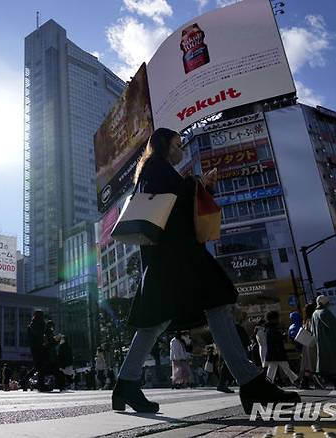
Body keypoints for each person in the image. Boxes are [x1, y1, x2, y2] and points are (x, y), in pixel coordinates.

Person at [111, 128, 299, 415]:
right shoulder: (156, 167)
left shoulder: (154, 169)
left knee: (156, 322)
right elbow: (172, 202)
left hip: (168, 260)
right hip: (178, 257)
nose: (181, 149)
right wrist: (198, 184)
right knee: (218, 303)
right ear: (164, 144)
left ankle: (125, 384)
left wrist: (200, 187)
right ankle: (250, 382)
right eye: (177, 144)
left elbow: (175, 203)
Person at [311, 295, 336, 389]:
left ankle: (335, 381)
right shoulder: (325, 312)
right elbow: (335, 328)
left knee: (327, 363)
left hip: (321, 343)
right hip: (332, 342)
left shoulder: (314, 314)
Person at [264, 311, 299, 387]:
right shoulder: (272, 329)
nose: (278, 320)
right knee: (286, 368)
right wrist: (282, 336)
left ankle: (268, 383)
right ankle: (295, 380)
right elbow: (276, 340)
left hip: (272, 353)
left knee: (272, 369)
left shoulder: (268, 329)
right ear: (273, 319)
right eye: (277, 318)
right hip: (278, 353)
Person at [27, 310, 48, 391]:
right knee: (40, 367)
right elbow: (41, 335)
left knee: (38, 366)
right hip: (40, 347)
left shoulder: (31, 325)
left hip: (34, 348)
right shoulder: (40, 324)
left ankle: (39, 384)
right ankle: (41, 385)